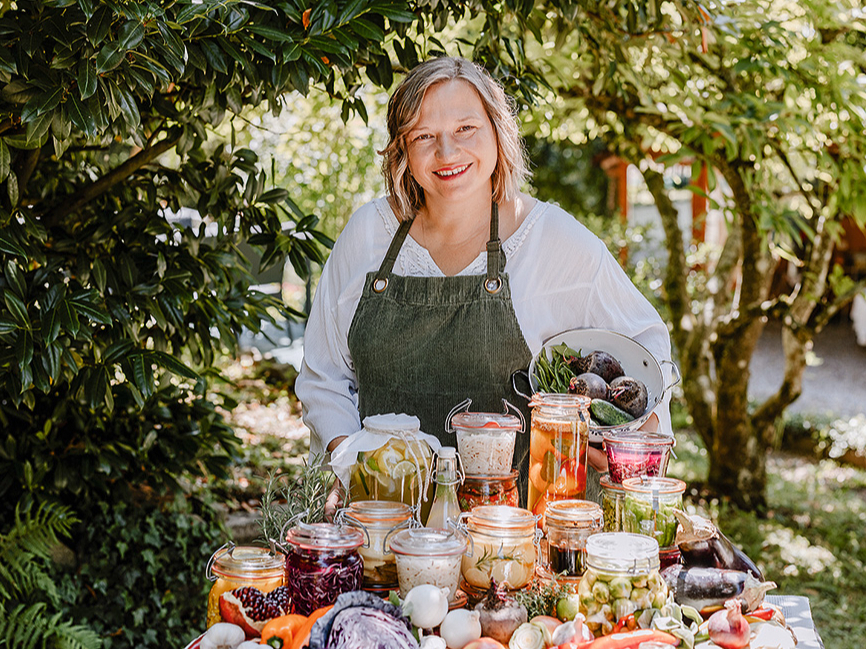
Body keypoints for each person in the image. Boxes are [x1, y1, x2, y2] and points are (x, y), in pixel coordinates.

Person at [295, 56, 672, 510]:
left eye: (466, 129)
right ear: (402, 151)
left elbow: (648, 347)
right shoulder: (367, 236)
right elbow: (324, 377)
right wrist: (349, 462)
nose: (447, 153)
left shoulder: (551, 241)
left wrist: (628, 444)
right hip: (383, 530)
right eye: (424, 137)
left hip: (513, 544)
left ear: (498, 132)